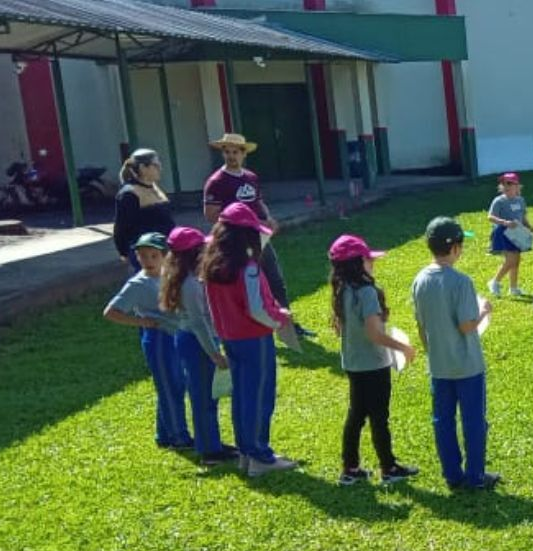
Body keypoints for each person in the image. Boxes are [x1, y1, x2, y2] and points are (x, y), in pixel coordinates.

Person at [201, 203, 299, 476]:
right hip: (254, 339)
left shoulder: (212, 263)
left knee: (242, 395)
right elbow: (257, 308)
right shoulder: (248, 267)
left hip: (230, 337)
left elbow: (212, 305)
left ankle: (246, 451)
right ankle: (259, 455)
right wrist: (280, 318)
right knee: (258, 396)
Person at [411, 216, 499, 491]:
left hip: (439, 364)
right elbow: (466, 325)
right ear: (455, 248)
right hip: (468, 365)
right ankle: (475, 476)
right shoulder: (461, 282)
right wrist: (484, 310)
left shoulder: (420, 280)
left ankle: (452, 473)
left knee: (443, 420)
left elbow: (421, 325)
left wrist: (431, 352)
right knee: (473, 421)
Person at [329, 234, 420, 486]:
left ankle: (350, 468)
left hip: (354, 364)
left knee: (356, 415)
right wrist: (403, 347)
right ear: (358, 263)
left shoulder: (342, 289)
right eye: (369, 260)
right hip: (373, 365)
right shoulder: (366, 292)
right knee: (379, 416)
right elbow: (374, 333)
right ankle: (389, 468)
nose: (373, 264)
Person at [203, 133, 312, 338]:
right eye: (227, 152)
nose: (231, 156)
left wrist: (268, 218)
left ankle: (287, 325)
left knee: (274, 279)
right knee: (241, 282)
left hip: (259, 236)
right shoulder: (216, 181)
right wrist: (243, 221)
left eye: (235, 152)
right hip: (232, 241)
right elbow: (210, 215)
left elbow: (258, 202)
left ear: (244, 154)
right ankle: (246, 326)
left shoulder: (251, 177)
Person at [102, 232, 192, 451]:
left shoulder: (170, 275)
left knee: (175, 385)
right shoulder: (138, 283)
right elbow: (111, 312)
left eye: (154, 256)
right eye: (142, 256)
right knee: (170, 388)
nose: (148, 261)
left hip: (174, 335)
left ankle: (164, 434)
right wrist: (141, 321)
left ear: (165, 256)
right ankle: (179, 437)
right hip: (158, 338)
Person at [159, 226, 238, 466]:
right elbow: (199, 322)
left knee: (207, 396)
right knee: (203, 397)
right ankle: (209, 451)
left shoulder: (182, 276)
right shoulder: (191, 285)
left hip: (194, 340)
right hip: (196, 342)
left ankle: (211, 442)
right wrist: (214, 353)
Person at [112, 149, 175, 272]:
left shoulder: (153, 187)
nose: (160, 169)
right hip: (147, 253)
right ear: (143, 168)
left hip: (165, 249)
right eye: (156, 165)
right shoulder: (129, 193)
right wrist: (124, 252)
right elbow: (121, 226)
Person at [486, 172, 533, 298]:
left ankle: (513, 288)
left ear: (517, 186)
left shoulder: (520, 200)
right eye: (503, 183)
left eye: (509, 183)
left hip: (517, 233)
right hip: (504, 233)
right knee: (510, 260)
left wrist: (529, 227)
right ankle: (495, 282)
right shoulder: (499, 201)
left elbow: (522, 217)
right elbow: (490, 217)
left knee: (516, 260)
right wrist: (504, 222)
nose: (505, 185)